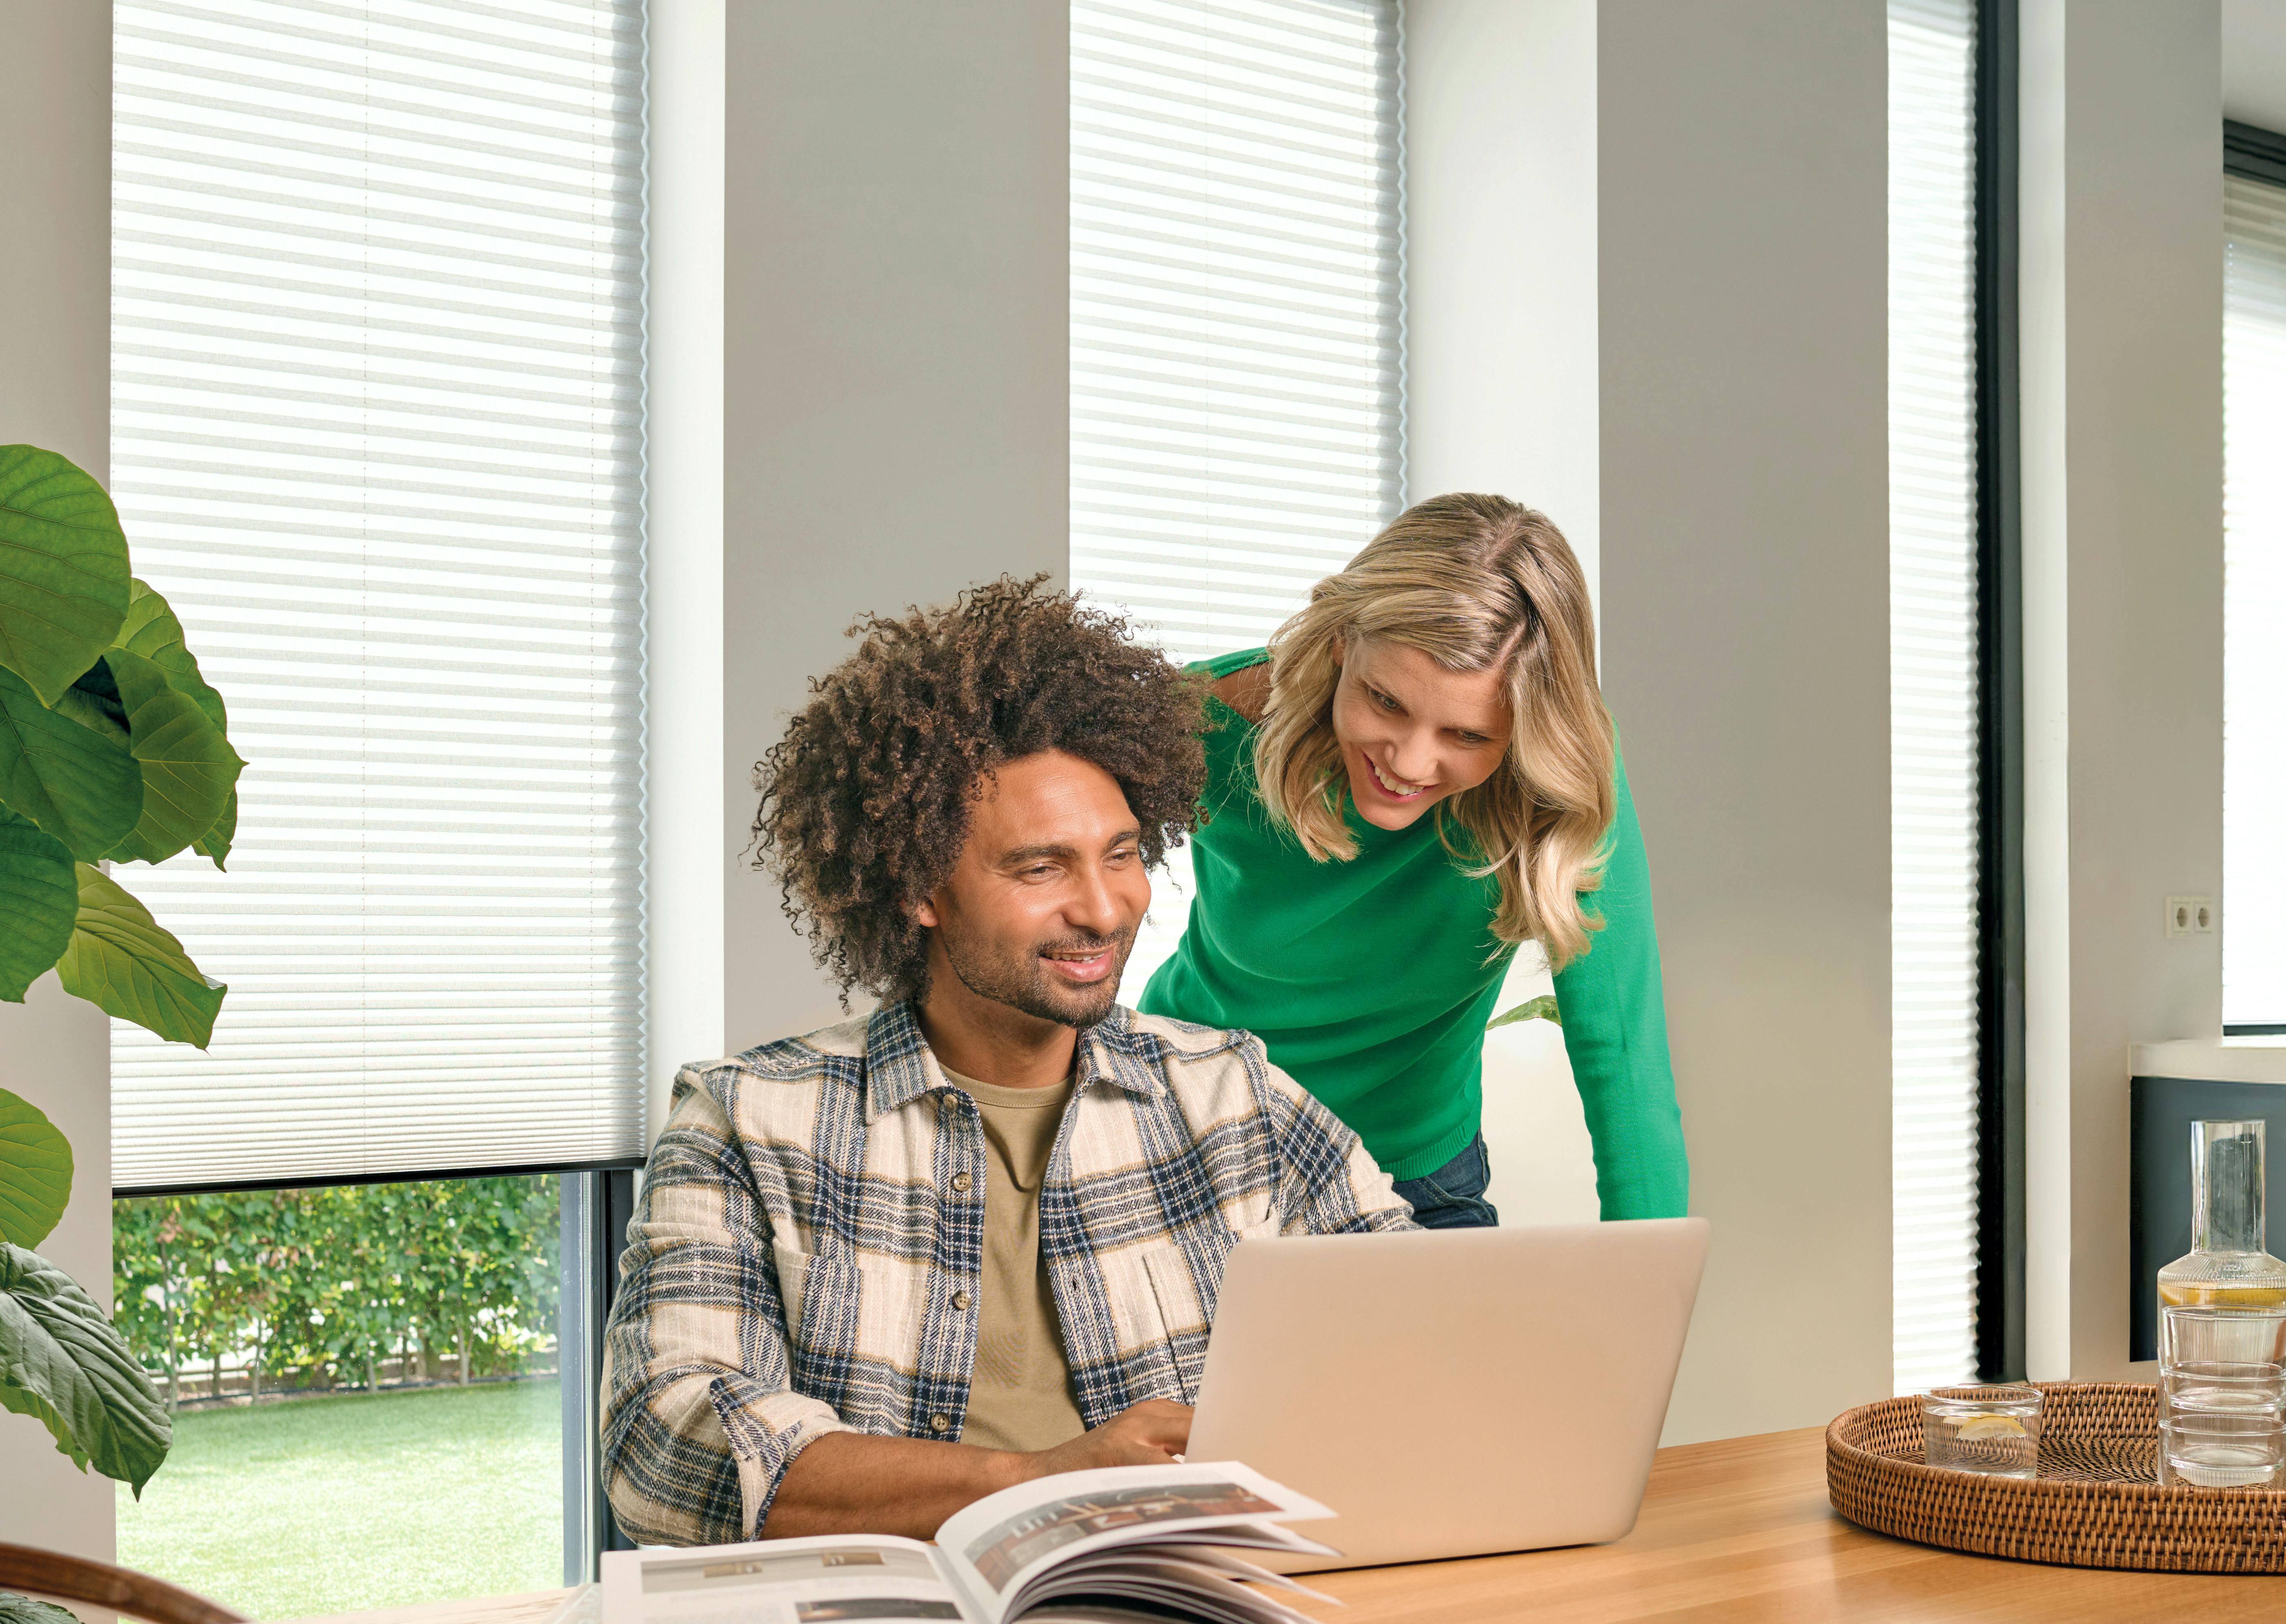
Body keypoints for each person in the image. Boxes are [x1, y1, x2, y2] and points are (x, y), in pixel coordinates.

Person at [601, 577, 1414, 1548]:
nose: (1106, 909)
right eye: (1040, 869)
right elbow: (665, 1448)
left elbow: (1411, 1339)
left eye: (1120, 855)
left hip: (1194, 1617)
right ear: (918, 890)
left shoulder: (1235, 1096)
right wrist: (1037, 1483)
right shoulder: (745, 1122)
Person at [1141, 494, 1689, 1229]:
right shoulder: (1203, 722)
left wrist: (1649, 1294)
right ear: (1340, 641)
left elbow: (1621, 1050)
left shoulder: (1560, 783)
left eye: (1466, 735)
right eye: (1386, 701)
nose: (1408, 761)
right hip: (1188, 1145)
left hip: (1412, 1177)